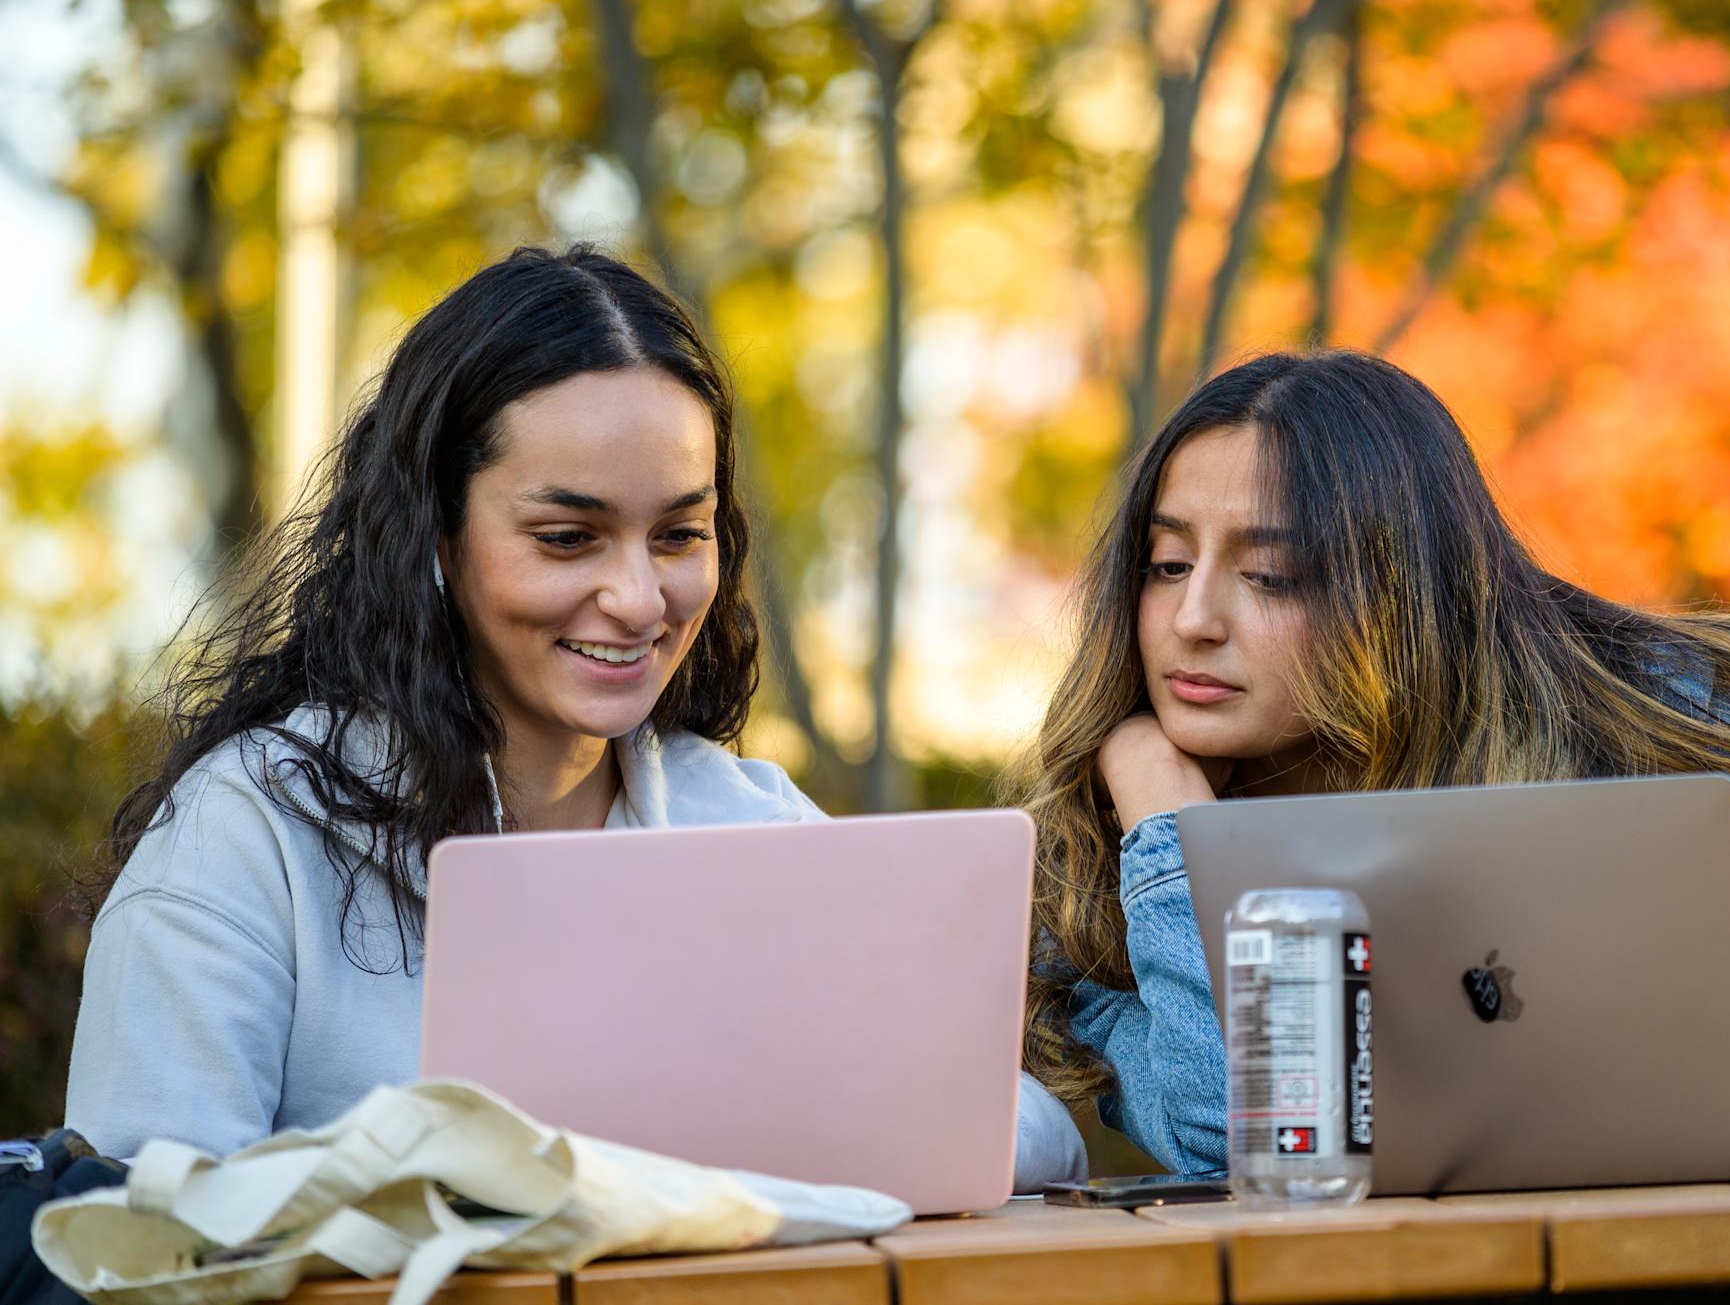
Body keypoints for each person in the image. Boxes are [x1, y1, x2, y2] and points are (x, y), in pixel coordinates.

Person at [67, 246, 1086, 1190]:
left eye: (679, 533)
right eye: (567, 538)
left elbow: (1033, 1134)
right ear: (430, 534)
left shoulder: (749, 827)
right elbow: (136, 1228)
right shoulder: (250, 832)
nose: (640, 599)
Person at [1012, 350, 1730, 1175]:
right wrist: (1169, 836)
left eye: (1274, 576)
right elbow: (1238, 1140)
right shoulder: (1111, 866)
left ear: (1401, 598)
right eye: (1166, 563)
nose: (1192, 619)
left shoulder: (1642, 747)